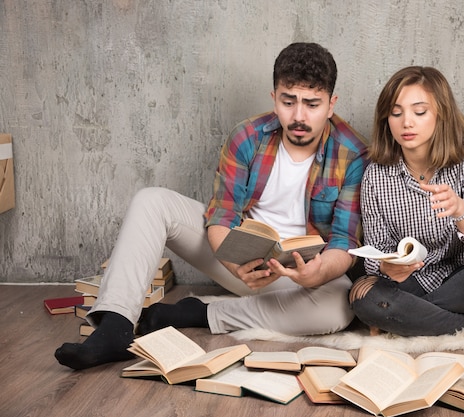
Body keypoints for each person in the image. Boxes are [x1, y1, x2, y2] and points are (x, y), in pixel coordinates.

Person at [55, 42, 369, 370]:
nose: (299, 116)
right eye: (288, 102)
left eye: (312, 104)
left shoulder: (353, 153)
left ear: (331, 105)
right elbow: (221, 215)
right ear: (274, 97)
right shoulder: (247, 136)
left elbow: (345, 243)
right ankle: (115, 326)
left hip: (301, 275)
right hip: (238, 262)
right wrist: (236, 267)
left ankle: (197, 313)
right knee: (151, 201)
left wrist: (315, 272)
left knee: (338, 309)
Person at [348, 66, 464, 339]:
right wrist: (387, 266)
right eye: (396, 113)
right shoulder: (376, 174)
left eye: (419, 112)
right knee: (361, 293)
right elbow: (376, 251)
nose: (406, 122)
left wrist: (460, 210)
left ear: (440, 114)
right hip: (409, 285)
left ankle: (409, 320)